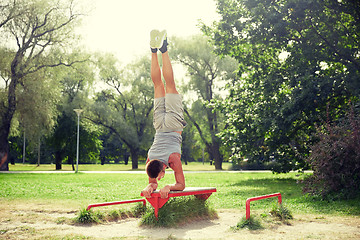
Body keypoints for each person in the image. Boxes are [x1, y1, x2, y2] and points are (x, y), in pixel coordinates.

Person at [141, 30, 187, 199]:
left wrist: (169, 186)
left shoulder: (173, 159)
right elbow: (152, 182)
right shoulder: (150, 160)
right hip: (159, 126)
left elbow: (181, 185)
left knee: (170, 85)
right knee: (158, 86)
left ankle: (164, 48)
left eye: (160, 176)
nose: (159, 179)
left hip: (174, 126)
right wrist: (149, 186)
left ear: (161, 169)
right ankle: (153, 50)